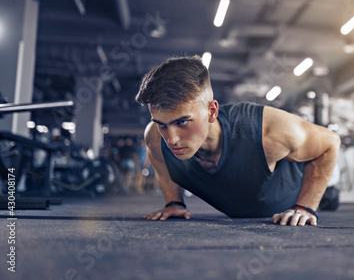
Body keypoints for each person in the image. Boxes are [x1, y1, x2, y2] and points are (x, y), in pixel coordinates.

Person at [135, 56, 340, 226]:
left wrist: (305, 206)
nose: (172, 139)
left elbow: (330, 142)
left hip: (291, 194)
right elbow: (162, 164)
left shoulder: (268, 131)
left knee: (328, 196)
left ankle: (327, 194)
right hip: (246, 198)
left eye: (182, 122)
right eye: (162, 124)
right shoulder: (155, 138)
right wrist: (174, 202)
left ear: (211, 111)